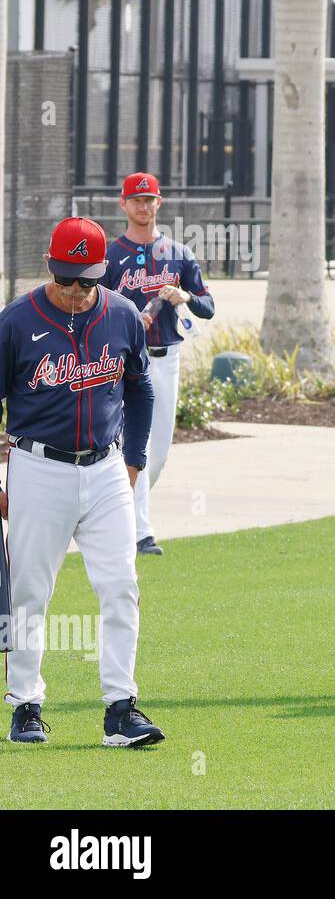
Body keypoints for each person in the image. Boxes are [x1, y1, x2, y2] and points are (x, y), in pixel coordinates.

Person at [1, 217, 165, 746]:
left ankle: (121, 708)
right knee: (30, 591)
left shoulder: (121, 316)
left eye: (88, 280)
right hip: (37, 468)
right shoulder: (14, 323)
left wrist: (135, 460)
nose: (77, 291)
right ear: (51, 266)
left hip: (105, 469)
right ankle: (25, 703)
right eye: (69, 278)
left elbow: (141, 390)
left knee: (121, 585)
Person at [101, 172, 216, 556]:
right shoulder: (111, 257)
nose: (143, 206)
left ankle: (118, 513)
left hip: (166, 357)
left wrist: (184, 296)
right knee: (134, 446)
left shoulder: (179, 254)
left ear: (159, 203)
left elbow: (209, 307)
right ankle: (138, 531)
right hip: (123, 362)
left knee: (159, 452)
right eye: (136, 200)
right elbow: (93, 310)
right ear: (123, 204)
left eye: (149, 199)